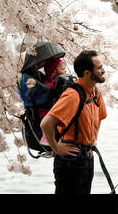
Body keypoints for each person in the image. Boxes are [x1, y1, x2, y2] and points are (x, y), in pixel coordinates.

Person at [40, 50, 107, 195]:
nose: (104, 70)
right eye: (99, 68)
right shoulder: (73, 95)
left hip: (87, 158)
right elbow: (46, 124)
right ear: (87, 73)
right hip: (70, 162)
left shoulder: (96, 92)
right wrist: (56, 149)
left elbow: (100, 117)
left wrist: (93, 138)